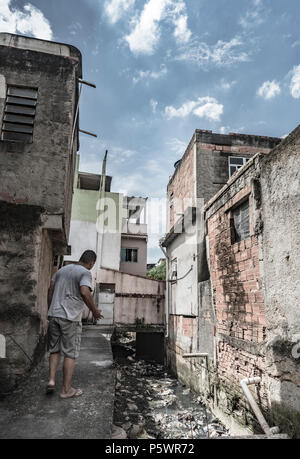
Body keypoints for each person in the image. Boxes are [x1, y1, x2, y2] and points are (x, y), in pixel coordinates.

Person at [47, 250, 103, 399]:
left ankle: (51, 381)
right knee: (70, 353)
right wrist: (95, 311)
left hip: (54, 314)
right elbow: (85, 292)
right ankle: (66, 390)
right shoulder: (85, 272)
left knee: (54, 350)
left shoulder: (61, 270)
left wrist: (50, 308)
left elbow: (51, 289)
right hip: (70, 317)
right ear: (91, 263)